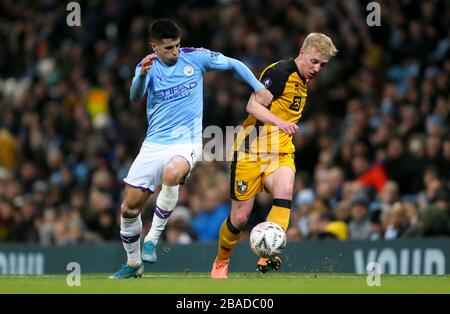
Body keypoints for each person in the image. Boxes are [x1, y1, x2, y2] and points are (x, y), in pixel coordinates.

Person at [109, 19, 273, 279]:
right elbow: (134, 96)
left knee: (173, 174)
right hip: (154, 143)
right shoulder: (147, 66)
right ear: (154, 46)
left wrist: (258, 88)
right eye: (168, 48)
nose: (174, 52)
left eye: (176, 46)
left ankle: (152, 238)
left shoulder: (195, 58)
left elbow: (234, 63)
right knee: (129, 208)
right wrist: (141, 75)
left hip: (187, 142)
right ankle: (133, 264)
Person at [211, 33, 337, 279]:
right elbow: (252, 106)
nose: (317, 68)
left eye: (322, 65)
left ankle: (267, 253)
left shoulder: (303, 79)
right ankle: (221, 260)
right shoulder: (280, 73)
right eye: (314, 61)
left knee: (285, 189)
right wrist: (280, 123)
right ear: (302, 52)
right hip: (250, 151)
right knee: (239, 217)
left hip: (280, 151)